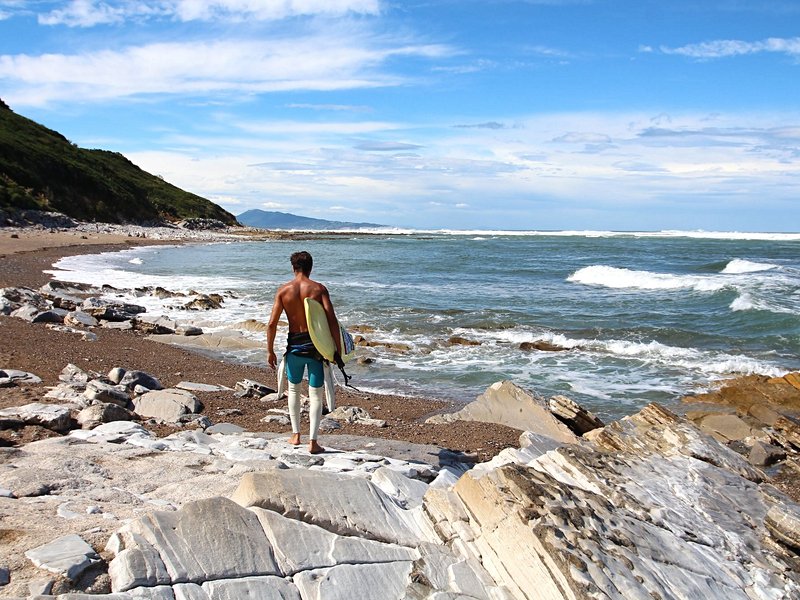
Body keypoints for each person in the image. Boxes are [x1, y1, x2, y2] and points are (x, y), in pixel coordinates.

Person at [267, 251, 341, 454]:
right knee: (316, 395)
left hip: (294, 350)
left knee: (293, 390)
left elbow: (272, 324)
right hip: (316, 350)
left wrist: (270, 351)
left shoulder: (283, 291)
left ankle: (296, 435)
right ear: (311, 267)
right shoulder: (318, 289)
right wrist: (338, 350)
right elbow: (332, 321)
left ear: (293, 268)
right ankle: (314, 442)